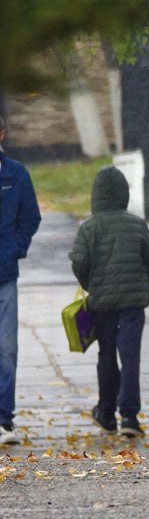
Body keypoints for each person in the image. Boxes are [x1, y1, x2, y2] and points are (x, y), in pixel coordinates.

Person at [70, 165, 149, 438]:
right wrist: (145, 285)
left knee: (107, 355)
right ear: (124, 193)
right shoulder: (136, 224)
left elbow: (79, 261)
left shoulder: (89, 227)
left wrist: (90, 284)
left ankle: (106, 413)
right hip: (133, 306)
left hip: (102, 305)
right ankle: (130, 417)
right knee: (131, 357)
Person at [0, 115, 41, 445]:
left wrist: (16, 248)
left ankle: (4, 419)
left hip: (5, 278)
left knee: (7, 349)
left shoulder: (16, 174)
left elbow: (31, 217)